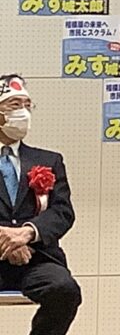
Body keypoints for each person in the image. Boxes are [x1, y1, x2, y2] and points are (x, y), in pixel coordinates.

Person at [0, 74, 82, 335]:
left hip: (36, 258)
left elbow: (62, 211)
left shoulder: (49, 160)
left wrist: (26, 233)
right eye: (14, 105)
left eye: (27, 105)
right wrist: (5, 240)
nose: (23, 112)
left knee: (64, 290)